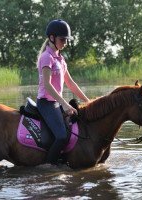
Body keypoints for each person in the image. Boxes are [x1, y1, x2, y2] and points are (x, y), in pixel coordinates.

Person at [36, 19, 90, 165]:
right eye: (62, 39)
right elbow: (47, 85)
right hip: (46, 103)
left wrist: (88, 101)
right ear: (52, 38)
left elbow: (71, 83)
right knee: (61, 136)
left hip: (55, 102)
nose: (65, 43)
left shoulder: (60, 58)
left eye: (66, 39)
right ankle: (48, 166)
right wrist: (65, 105)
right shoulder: (46, 57)